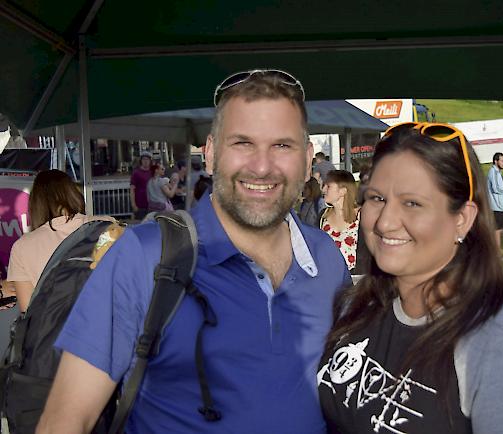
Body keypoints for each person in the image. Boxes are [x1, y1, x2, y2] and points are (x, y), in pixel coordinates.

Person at [37, 69, 350, 434]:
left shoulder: (326, 257)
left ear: (308, 158)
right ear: (213, 153)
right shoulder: (146, 256)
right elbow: (65, 421)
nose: (262, 166)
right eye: (242, 143)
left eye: (282, 145)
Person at [318, 122, 503, 434]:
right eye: (376, 198)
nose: (385, 222)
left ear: (462, 219)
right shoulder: (360, 306)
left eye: (412, 203)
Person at [5, 170, 112, 312]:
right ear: (73, 193)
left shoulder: (23, 247)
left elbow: (28, 312)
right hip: (107, 323)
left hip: (56, 331)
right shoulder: (106, 225)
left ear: (36, 204)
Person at [320, 170, 360, 270]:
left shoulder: (361, 216)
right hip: (330, 280)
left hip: (357, 281)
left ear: (343, 191)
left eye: (328, 186)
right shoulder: (323, 217)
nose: (323, 189)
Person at [487, 152, 503, 255]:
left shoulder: (497, 172)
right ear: (496, 161)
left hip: (500, 205)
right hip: (497, 205)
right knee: (496, 229)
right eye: (502, 161)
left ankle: (496, 250)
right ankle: (496, 252)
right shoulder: (494, 172)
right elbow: (496, 188)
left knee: (499, 229)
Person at [129, 151, 152, 220]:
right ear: (141, 161)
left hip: (151, 205)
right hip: (140, 205)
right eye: (144, 159)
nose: (145, 161)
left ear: (150, 161)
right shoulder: (136, 173)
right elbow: (132, 189)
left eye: (147, 159)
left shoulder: (153, 172)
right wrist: (133, 205)